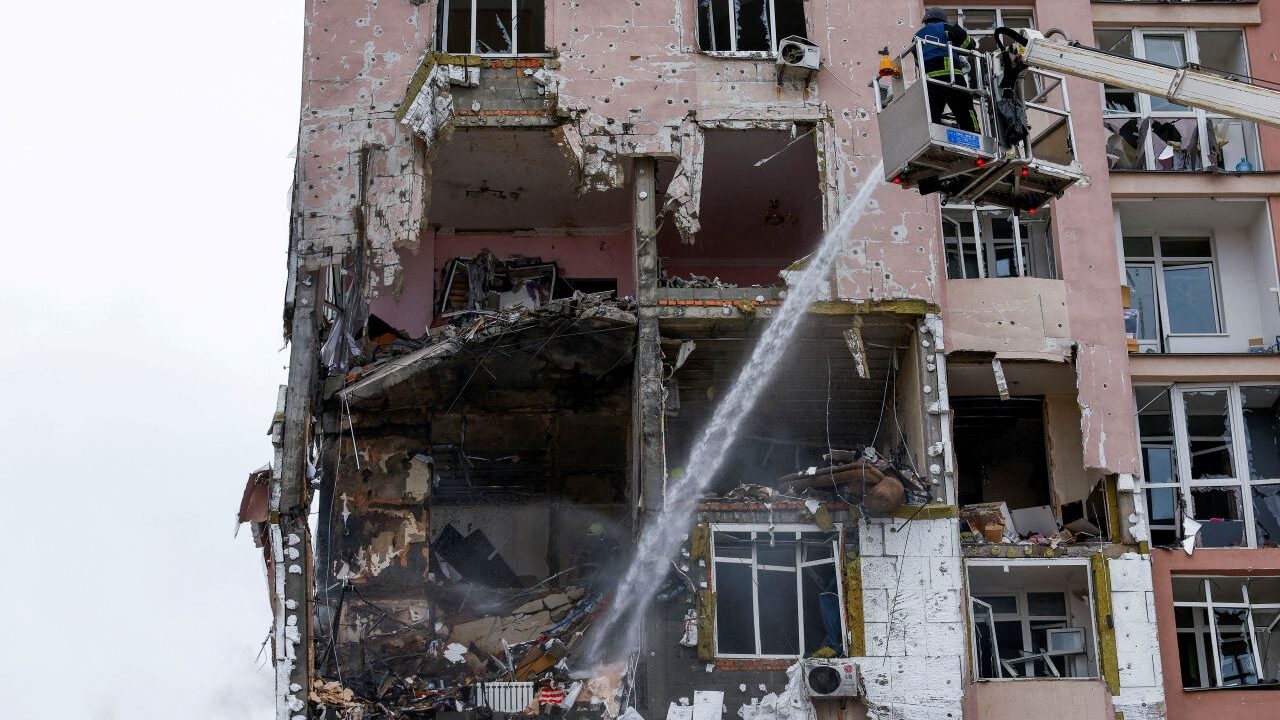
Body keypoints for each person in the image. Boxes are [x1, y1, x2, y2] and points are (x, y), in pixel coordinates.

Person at [915, 6, 979, 133]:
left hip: (930, 82)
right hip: (952, 76)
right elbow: (969, 46)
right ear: (942, 19)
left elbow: (918, 60)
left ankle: (933, 138)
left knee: (932, 114)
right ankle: (975, 136)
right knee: (965, 110)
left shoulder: (916, 37)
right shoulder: (947, 28)